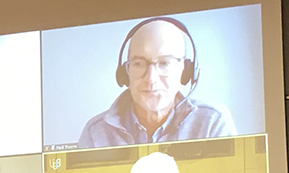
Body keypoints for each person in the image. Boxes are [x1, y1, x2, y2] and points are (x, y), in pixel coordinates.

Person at [79, 17, 235, 149]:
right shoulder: (95, 132)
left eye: (164, 63)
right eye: (139, 63)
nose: (151, 79)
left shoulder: (212, 123)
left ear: (185, 69)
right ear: (125, 72)